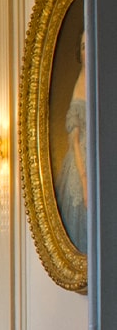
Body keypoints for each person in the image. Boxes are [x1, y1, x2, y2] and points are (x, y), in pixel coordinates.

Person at [57, 30, 88, 254]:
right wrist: (85, 179)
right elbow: (75, 139)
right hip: (81, 161)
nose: (88, 51)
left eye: (91, 45)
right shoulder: (80, 85)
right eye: (84, 46)